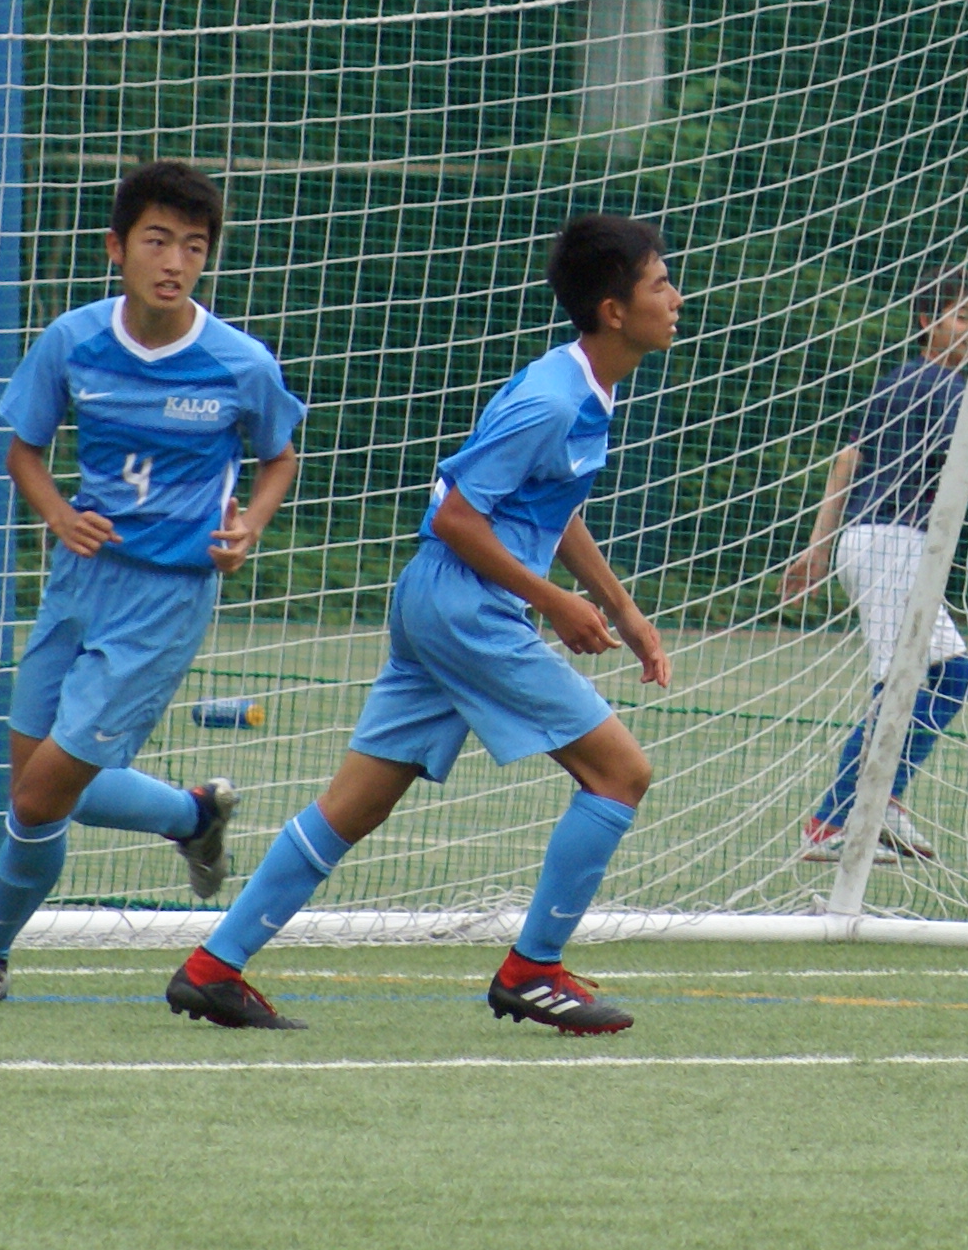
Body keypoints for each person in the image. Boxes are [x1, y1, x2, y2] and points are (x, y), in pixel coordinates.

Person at [168, 215, 681, 1036]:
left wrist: (621, 608)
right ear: (614, 309)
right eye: (660, 283)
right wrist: (556, 603)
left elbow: (552, 505)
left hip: (442, 605)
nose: (675, 298)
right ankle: (533, 969)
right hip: (465, 606)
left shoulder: (584, 387)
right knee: (620, 774)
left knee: (353, 807)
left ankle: (212, 967)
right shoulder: (551, 399)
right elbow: (457, 518)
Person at [0, 164, 300, 1006]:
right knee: (48, 791)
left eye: (194, 247)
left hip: (165, 599)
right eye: (157, 241)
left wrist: (249, 527)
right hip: (77, 582)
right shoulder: (73, 341)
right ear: (118, 248)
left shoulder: (239, 363)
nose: (175, 261)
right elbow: (24, 448)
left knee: (42, 790)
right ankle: (193, 814)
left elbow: (280, 455)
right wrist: (59, 514)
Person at [785, 268, 968, 866]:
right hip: (892, 545)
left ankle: (879, 802)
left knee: (925, 680)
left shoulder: (894, 382)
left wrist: (819, 547)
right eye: (958, 316)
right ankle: (838, 817)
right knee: (932, 680)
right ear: (926, 323)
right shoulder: (939, 383)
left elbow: (846, 463)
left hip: (874, 542)